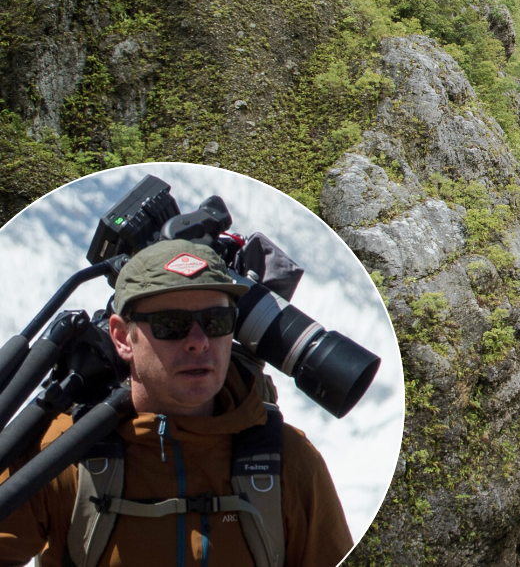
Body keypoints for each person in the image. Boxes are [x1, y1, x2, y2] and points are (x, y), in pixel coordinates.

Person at [0, 239, 354, 567]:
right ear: (123, 337)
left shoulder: (289, 460)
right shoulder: (60, 452)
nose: (199, 342)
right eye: (172, 324)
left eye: (217, 322)